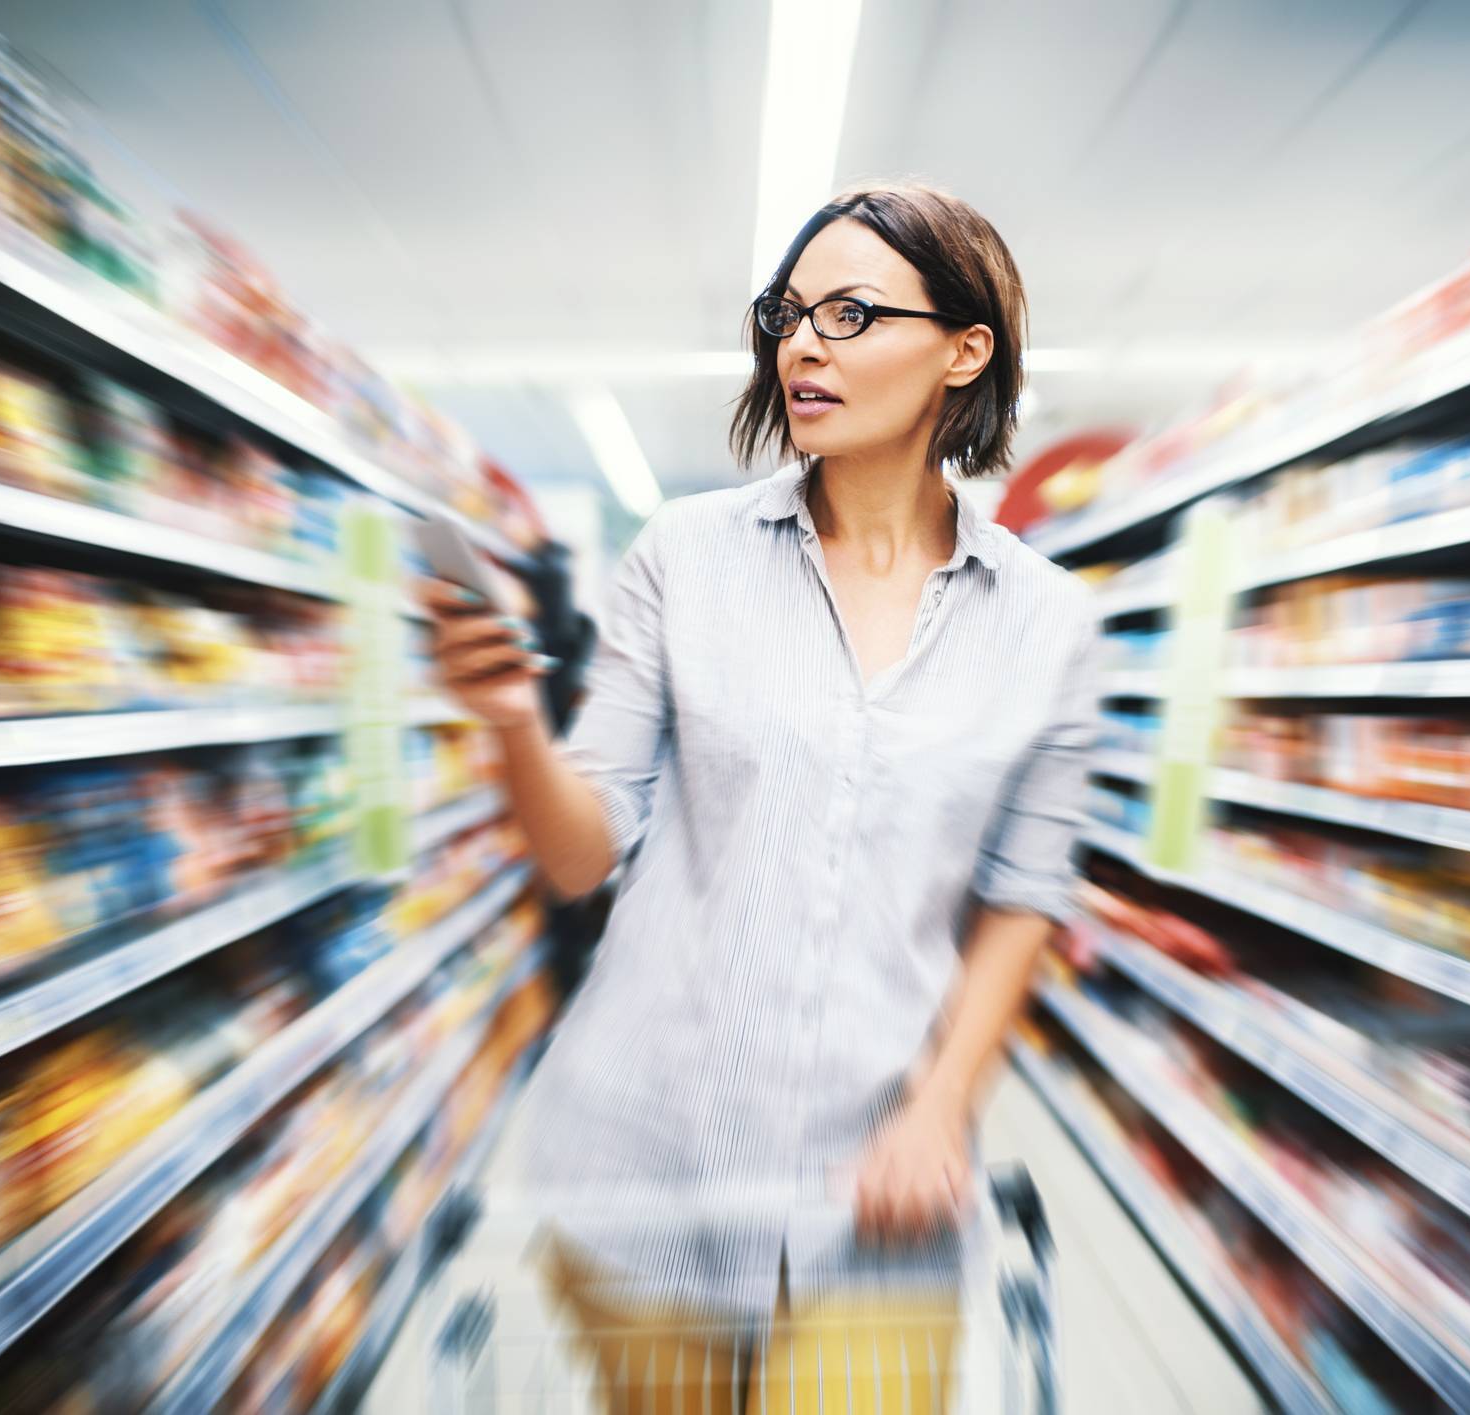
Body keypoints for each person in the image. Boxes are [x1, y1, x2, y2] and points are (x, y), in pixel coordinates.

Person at [426, 181, 1097, 1414]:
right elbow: (582, 857)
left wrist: (943, 1106)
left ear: (965, 348)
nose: (802, 343)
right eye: (788, 312)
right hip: (645, 1156)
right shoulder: (684, 558)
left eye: (849, 312)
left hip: (877, 1187)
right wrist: (512, 718)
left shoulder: (1047, 622)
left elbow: (1020, 896)